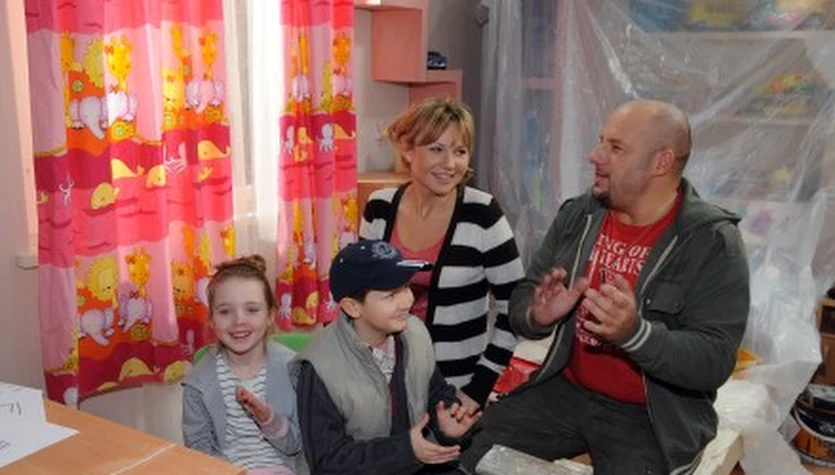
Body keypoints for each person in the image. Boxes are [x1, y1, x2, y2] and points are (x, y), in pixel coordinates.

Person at [460, 100, 750, 475]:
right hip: (565, 390)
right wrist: (537, 314)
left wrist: (635, 334)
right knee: (465, 452)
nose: (594, 155)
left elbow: (714, 361)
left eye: (615, 147)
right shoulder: (579, 214)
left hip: (650, 417)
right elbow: (521, 305)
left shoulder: (711, 241)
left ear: (661, 162)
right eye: (601, 142)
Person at [361, 98, 524, 413]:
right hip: (381, 384)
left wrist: (478, 390)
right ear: (408, 150)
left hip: (455, 390)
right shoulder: (379, 207)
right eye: (437, 149)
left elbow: (515, 311)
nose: (450, 163)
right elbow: (362, 294)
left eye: (460, 151)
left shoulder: (483, 214)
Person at [291, 240, 481, 475]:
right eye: (391, 295)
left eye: (406, 287)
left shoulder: (415, 333)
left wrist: (447, 427)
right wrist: (405, 451)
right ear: (352, 307)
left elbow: (437, 395)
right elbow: (328, 461)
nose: (407, 301)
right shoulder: (320, 367)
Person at [182, 255, 302, 474]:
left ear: (270, 316)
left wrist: (269, 420)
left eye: (252, 310)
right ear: (211, 320)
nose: (239, 320)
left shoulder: (296, 370)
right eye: (225, 311)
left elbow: (299, 445)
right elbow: (198, 449)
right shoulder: (197, 383)